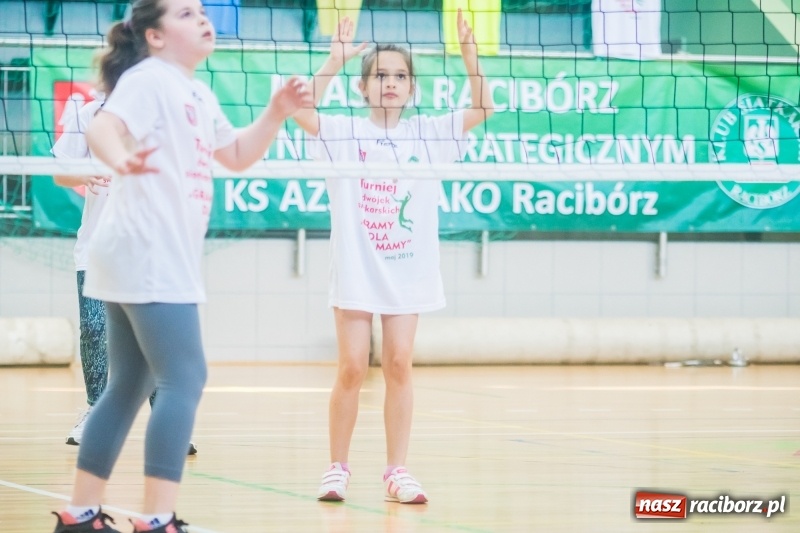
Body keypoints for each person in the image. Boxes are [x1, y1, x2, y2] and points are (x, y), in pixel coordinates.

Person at [50, 0, 310, 531]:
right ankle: (158, 518)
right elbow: (103, 126)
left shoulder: (195, 91)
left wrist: (276, 113)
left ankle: (78, 514)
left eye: (201, 11)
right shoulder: (148, 79)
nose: (203, 18)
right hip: (147, 249)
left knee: (128, 384)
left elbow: (236, 154)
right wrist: (119, 160)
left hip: (132, 250)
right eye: (186, 13)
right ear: (154, 36)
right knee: (185, 378)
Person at [293, 10, 494, 504]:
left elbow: (483, 105)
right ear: (363, 87)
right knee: (352, 368)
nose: (391, 82)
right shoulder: (343, 133)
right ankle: (337, 467)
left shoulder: (430, 134)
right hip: (358, 271)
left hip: (409, 272)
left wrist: (471, 58)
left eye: (400, 76)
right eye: (380, 75)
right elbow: (300, 112)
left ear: (412, 88)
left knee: (400, 363)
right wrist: (334, 62)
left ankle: (396, 470)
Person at [53, 93, 199, 456]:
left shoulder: (168, 109)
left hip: (153, 249)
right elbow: (59, 172)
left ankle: (167, 420)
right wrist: (86, 173)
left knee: (153, 335)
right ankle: (94, 409)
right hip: (99, 247)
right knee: (94, 329)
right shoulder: (91, 113)